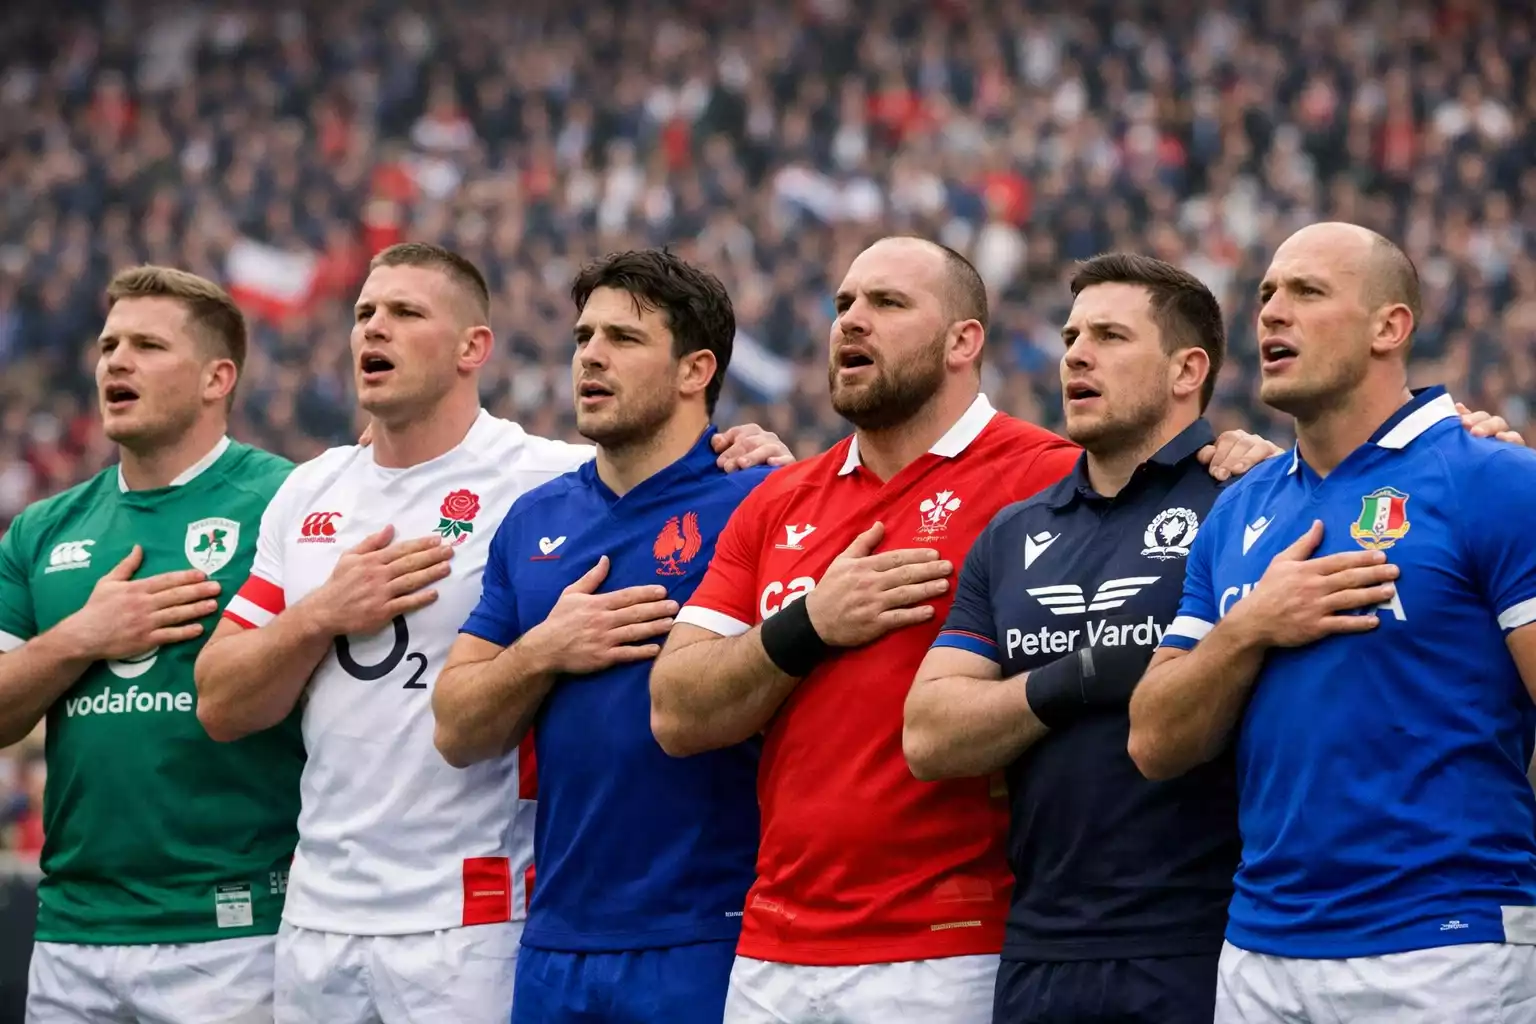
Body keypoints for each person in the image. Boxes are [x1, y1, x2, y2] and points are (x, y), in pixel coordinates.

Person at [647, 235, 1276, 1022]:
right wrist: (810, 622)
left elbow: (1164, 472)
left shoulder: (1050, 480)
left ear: (964, 341)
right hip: (774, 945)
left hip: (958, 940)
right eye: (844, 304)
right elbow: (675, 712)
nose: (852, 322)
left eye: (886, 303)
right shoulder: (777, 498)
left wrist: (1254, 461)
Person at [192, 242, 787, 1024]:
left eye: (405, 313)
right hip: (334, 914)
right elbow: (228, 703)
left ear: (475, 347)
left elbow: (670, 466)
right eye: (366, 312)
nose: (374, 329)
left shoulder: (540, 476)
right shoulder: (320, 491)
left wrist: (762, 454)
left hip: (497, 917)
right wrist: (326, 613)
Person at [1129, 222, 1536, 1023]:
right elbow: (1154, 740)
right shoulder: (1238, 507)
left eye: (1308, 292)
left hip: (1443, 944)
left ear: (1391, 326)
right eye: (1267, 295)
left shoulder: (1492, 478)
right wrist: (1251, 627)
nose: (1272, 312)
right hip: (1257, 950)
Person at [432, 249, 774, 1023]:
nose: (590, 354)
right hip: (555, 940)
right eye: (584, 335)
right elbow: (456, 726)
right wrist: (544, 651)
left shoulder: (761, 500)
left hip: (706, 929)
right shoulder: (535, 520)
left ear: (696, 371)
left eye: (623, 338)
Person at [904, 253, 1247, 1023]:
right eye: (1070, 336)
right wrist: (1083, 676)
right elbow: (929, 733)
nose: (1075, 355)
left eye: (1110, 336)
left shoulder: (1247, 501)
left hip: (1202, 943)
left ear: (1187, 369)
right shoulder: (1016, 530)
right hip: (1039, 948)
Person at [0, 266, 301, 1023]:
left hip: (234, 935)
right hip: (71, 933)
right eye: (108, 346)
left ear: (216, 378)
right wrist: (81, 637)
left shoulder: (292, 502)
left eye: (146, 346)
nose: (116, 362)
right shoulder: (43, 530)